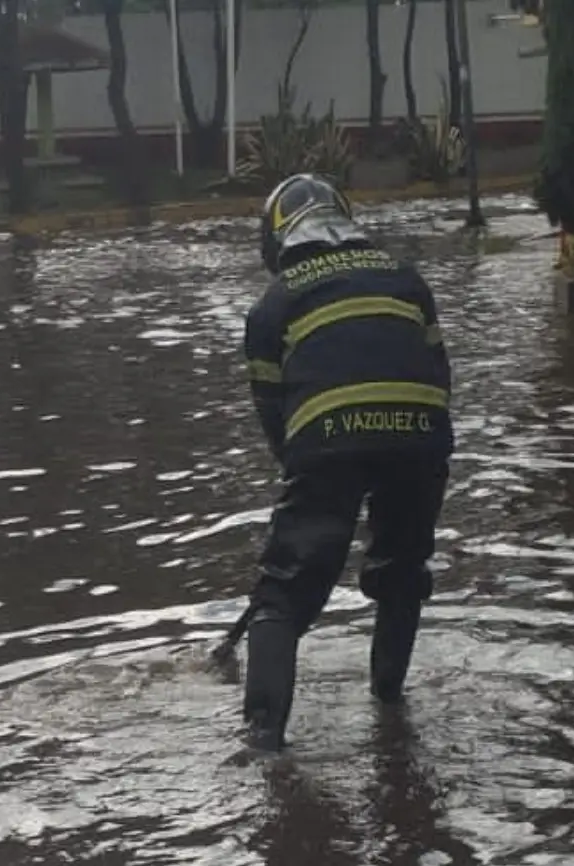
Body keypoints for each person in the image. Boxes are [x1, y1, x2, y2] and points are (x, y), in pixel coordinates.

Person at [239, 173, 454, 751]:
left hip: (326, 438)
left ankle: (262, 747)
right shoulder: (406, 280)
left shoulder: (272, 307)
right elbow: (438, 374)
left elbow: (276, 418)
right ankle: (390, 704)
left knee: (283, 596)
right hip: (422, 432)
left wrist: (311, 478)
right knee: (402, 570)